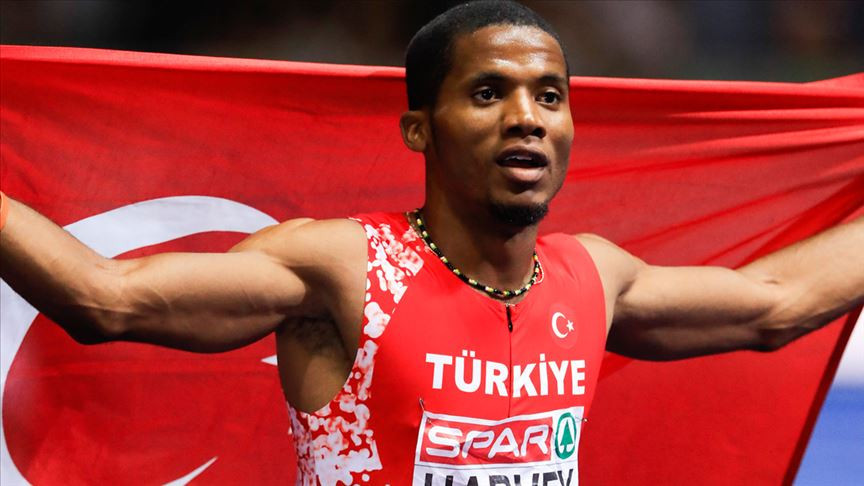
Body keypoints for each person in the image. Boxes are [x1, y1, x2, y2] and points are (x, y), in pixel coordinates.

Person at [0, 0, 861, 484]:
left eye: (549, 96)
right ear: (420, 129)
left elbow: (774, 306)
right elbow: (105, 299)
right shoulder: (342, 267)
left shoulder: (594, 277)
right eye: (488, 94)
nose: (526, 117)